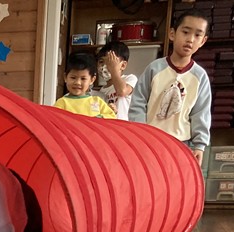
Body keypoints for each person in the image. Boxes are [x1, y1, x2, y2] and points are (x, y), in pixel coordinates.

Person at [128, 11, 211, 165]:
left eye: (197, 35)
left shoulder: (200, 77)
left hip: (182, 145)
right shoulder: (154, 69)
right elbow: (138, 102)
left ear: (203, 41)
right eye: (185, 32)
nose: (190, 39)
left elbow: (201, 113)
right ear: (172, 34)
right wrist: (140, 133)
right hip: (149, 142)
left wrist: (199, 145)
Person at [53, 52, 116, 119]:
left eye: (83, 78)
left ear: (92, 80)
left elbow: (111, 116)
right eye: (73, 78)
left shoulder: (97, 102)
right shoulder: (61, 103)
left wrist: (100, 117)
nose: (78, 82)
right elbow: (53, 120)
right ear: (65, 77)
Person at [97, 41, 137, 121]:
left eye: (110, 62)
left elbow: (122, 91)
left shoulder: (130, 79)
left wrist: (113, 70)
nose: (105, 66)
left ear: (123, 65)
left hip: (124, 125)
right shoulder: (102, 91)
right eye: (101, 62)